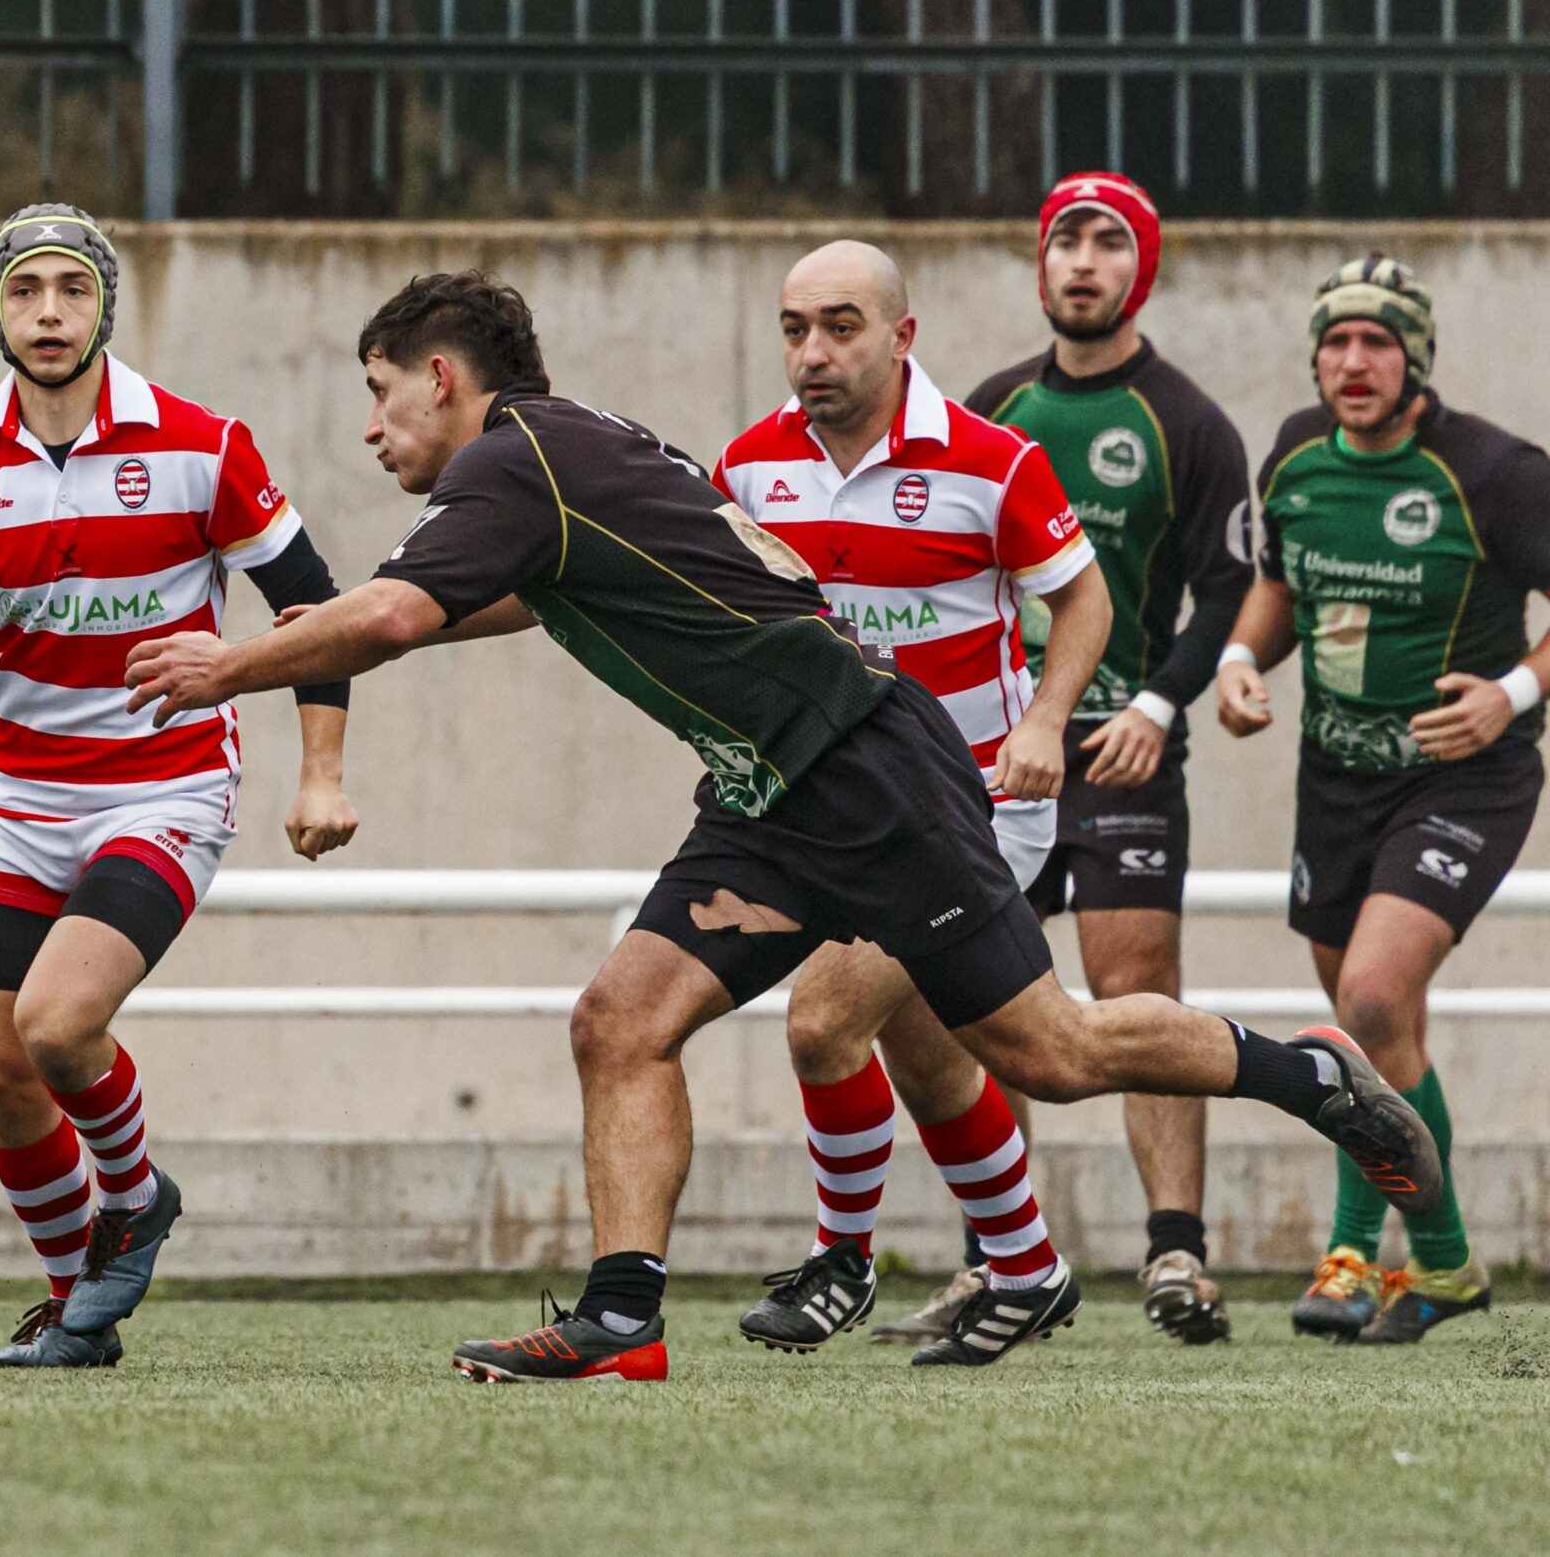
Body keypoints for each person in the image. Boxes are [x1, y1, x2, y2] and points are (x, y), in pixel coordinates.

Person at [120, 269, 1440, 1385]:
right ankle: (623, 1319)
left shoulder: (515, 460)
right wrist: (323, 631)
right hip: (765, 797)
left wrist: (227, 663)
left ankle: (1307, 1075)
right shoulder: (561, 453)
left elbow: (400, 612)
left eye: (379, 391)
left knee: (1052, 1050)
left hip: (868, 776)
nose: (371, 426)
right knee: (620, 1019)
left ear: (443, 375)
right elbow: (502, 597)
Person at [0, 203, 358, 1367]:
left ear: (104, 307)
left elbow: (314, 611)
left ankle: (133, 1196)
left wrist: (320, 776)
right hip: (24, 805)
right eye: (24, 291)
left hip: (165, 790)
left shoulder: (201, 446)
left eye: (71, 290)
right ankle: (76, 1308)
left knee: (57, 1024)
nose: (48, 313)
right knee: (4, 1073)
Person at [711, 240, 1108, 1365]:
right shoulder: (747, 467)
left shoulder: (994, 462)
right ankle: (1027, 1267)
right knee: (933, 1056)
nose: (813, 351)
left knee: (824, 1021)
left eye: (841, 326)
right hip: (844, 812)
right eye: (794, 328)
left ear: (901, 336)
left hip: (973, 805)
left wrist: (1045, 723)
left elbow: (1083, 602)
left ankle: (842, 1259)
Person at [936, 173, 1255, 1347]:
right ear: (1039, 263)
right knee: (981, 999)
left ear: (1140, 271)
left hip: (1123, 750)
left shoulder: (1188, 422)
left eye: (1107, 242)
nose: (1081, 260)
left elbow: (1228, 588)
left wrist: (1161, 706)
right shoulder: (991, 408)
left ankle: (1176, 1255)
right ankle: (997, 1261)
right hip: (989, 754)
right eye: (1063, 239)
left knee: (1134, 994)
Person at [1218, 255, 1550, 1344]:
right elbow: (1280, 582)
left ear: (1417, 357)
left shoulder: (1496, 470)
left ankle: (1431, 1259)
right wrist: (1240, 659)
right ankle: (1366, 1262)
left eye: (1376, 341)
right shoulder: (1295, 454)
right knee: (1376, 1036)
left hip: (1465, 776)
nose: (1353, 361)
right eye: (1335, 342)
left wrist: (1511, 694)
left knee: (1366, 1000)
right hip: (1335, 780)